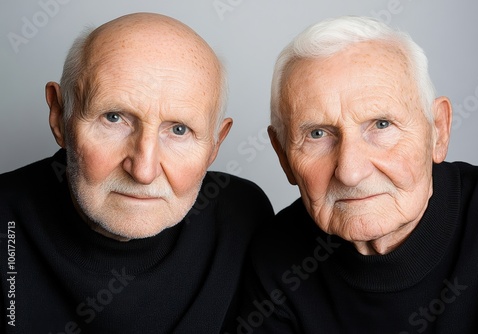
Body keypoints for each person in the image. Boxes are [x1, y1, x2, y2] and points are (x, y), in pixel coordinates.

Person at [0, 12, 273, 333]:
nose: (143, 171)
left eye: (179, 129)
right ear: (60, 117)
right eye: (113, 117)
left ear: (215, 144)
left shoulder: (243, 218)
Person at [233, 16, 478, 333]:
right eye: (318, 134)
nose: (350, 172)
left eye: (381, 125)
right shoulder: (274, 260)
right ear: (283, 156)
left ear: (438, 131)